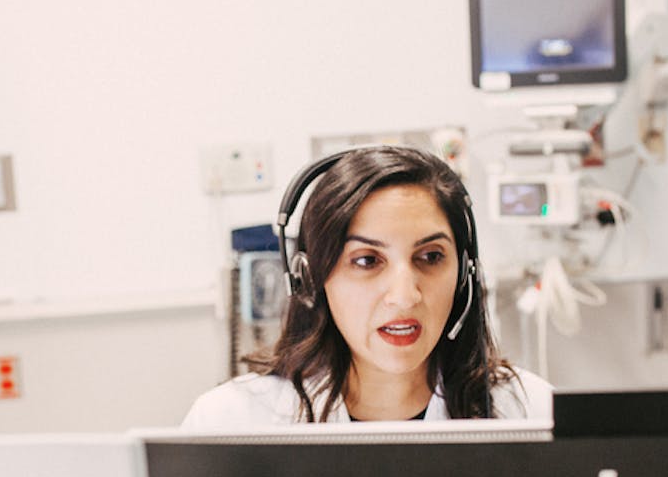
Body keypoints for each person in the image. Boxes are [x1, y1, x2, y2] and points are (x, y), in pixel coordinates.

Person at [182, 145, 552, 428]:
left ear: (465, 272)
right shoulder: (231, 422)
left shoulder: (531, 413)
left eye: (430, 256)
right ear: (311, 278)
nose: (405, 296)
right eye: (367, 261)